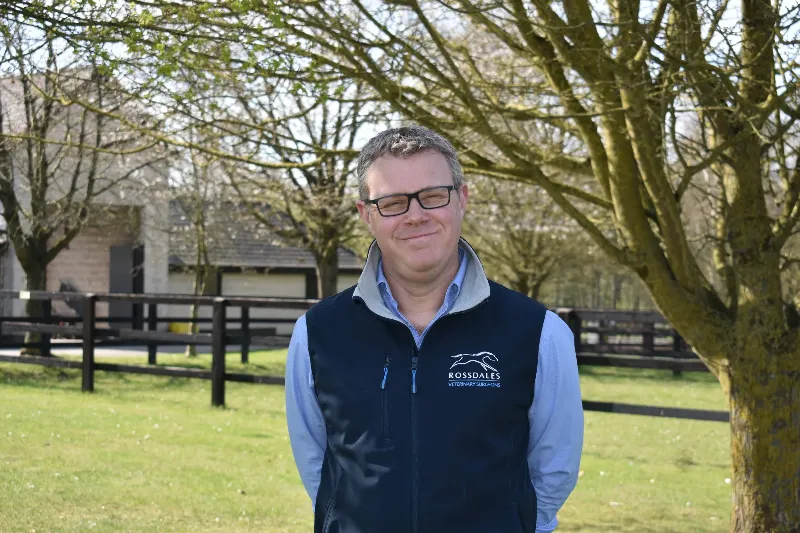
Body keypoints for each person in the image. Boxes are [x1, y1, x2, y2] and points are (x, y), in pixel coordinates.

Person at [285, 125, 583, 533]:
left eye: (432, 196)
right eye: (392, 202)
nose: (415, 215)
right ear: (366, 214)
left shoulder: (539, 333)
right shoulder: (317, 333)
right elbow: (317, 466)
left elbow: (554, 469)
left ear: (462, 199)